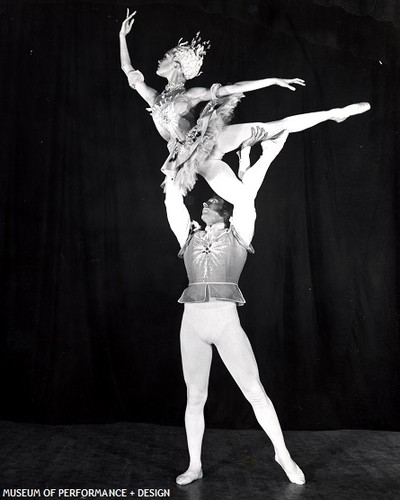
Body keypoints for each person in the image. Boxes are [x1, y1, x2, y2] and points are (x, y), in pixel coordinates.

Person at [164, 126, 306, 486]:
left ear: (225, 213)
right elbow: (172, 202)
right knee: (195, 396)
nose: (207, 204)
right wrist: (174, 170)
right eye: (206, 203)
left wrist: (261, 157)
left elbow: (246, 199)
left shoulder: (240, 233)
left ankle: (283, 455)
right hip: (192, 322)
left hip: (225, 321)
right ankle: (195, 464)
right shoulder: (189, 236)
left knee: (254, 390)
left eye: (213, 203)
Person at [120, 9, 370, 205]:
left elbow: (231, 89)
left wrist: (272, 80)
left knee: (273, 127)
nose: (159, 60)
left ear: (176, 65)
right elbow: (127, 70)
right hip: (196, 160)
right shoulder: (155, 98)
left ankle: (335, 114)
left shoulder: (191, 95)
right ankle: (246, 165)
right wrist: (122, 37)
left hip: (211, 139)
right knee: (243, 200)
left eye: (165, 57)